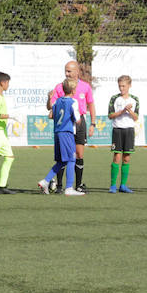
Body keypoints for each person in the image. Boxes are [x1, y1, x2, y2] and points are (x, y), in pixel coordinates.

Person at [47, 60, 95, 193]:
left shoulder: (85, 87)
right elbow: (52, 105)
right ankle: (60, 186)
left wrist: (93, 123)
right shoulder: (60, 87)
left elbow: (91, 104)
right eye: (65, 71)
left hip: (80, 123)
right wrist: (50, 103)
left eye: (69, 71)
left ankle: (78, 185)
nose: (66, 74)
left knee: (79, 154)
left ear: (77, 72)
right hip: (65, 124)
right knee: (63, 156)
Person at [38, 78, 84, 196]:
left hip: (57, 133)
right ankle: (69, 188)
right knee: (71, 159)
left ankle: (45, 181)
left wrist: (49, 99)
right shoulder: (73, 102)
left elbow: (51, 114)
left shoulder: (57, 101)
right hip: (66, 133)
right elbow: (78, 119)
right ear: (73, 90)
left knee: (61, 161)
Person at [108, 75, 139, 193]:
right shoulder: (114, 98)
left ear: (129, 86)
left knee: (126, 158)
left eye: (124, 86)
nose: (121, 88)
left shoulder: (134, 99)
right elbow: (110, 115)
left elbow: (135, 118)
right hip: (118, 130)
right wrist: (122, 111)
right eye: (120, 86)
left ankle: (123, 185)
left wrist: (129, 110)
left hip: (129, 130)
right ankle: (112, 185)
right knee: (117, 157)